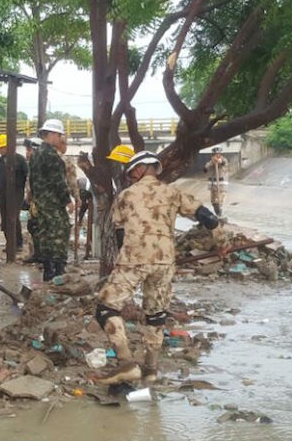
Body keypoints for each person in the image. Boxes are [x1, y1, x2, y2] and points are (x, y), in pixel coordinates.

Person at [95, 146, 222, 383]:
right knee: (156, 315)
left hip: (134, 259)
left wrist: (123, 261)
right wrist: (220, 243)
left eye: (132, 173)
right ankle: (151, 370)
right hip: (165, 262)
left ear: (142, 169)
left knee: (105, 307)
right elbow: (208, 217)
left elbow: (120, 232)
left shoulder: (126, 196)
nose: (130, 177)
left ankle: (126, 364)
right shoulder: (173, 193)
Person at [28, 119, 73, 281]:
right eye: (59, 135)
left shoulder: (35, 154)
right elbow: (58, 181)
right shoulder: (51, 156)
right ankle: (59, 271)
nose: (61, 139)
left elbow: (31, 180)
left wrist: (34, 199)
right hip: (53, 202)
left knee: (44, 233)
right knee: (60, 232)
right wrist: (67, 200)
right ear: (52, 134)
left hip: (40, 201)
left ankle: (47, 270)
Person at [0, 133, 28, 252]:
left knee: (14, 217)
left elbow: (28, 176)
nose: (0, 150)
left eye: (2, 147)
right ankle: (9, 243)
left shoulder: (20, 160)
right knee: (5, 218)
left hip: (17, 193)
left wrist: (29, 192)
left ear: (9, 146)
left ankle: (18, 243)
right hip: (3, 194)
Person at [205, 146, 228, 216]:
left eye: (218, 154)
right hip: (212, 185)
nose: (217, 155)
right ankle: (217, 214)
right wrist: (212, 162)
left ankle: (220, 214)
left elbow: (224, 163)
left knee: (219, 201)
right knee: (213, 202)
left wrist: (219, 161)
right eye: (215, 154)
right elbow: (205, 169)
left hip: (221, 185)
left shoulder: (224, 160)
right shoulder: (210, 162)